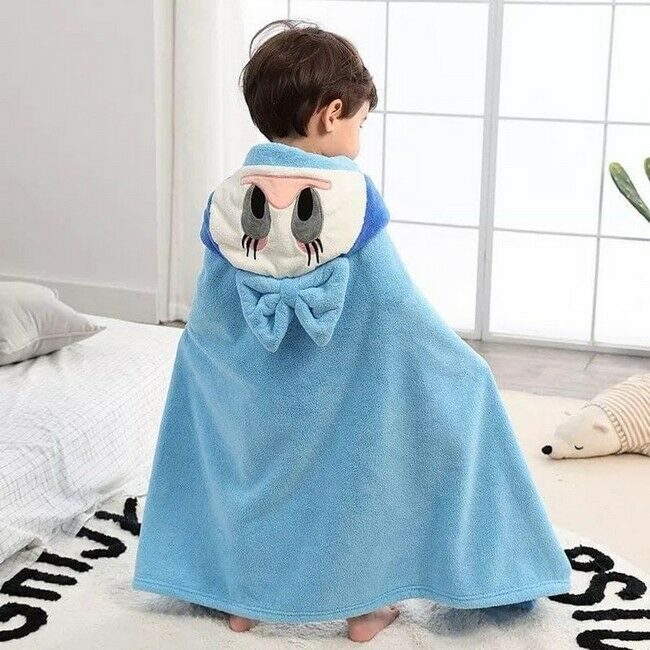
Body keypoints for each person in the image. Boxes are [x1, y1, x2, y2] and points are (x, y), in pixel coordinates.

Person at [133, 20, 571, 643]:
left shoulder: (226, 202)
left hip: (259, 398)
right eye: (360, 123)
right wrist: (456, 363)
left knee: (252, 467)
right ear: (331, 113)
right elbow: (393, 305)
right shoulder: (349, 199)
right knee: (370, 458)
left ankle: (245, 598)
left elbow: (211, 319)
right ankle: (367, 606)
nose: (358, 140)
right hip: (341, 392)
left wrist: (226, 375)